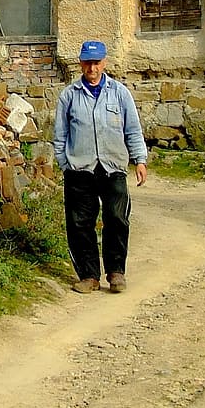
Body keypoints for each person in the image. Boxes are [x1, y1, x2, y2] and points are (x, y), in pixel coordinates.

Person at [53, 40, 148, 294]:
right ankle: (89, 276)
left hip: (112, 166)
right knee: (79, 223)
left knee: (116, 218)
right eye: (87, 63)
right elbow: (60, 136)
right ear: (81, 63)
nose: (92, 68)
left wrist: (139, 160)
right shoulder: (69, 96)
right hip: (79, 170)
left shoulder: (119, 93)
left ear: (104, 63)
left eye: (96, 63)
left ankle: (116, 272)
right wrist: (65, 164)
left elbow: (133, 130)